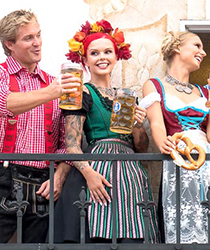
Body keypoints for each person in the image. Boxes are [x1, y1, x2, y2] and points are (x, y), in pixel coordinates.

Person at [53, 19, 159, 243]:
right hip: (96, 169)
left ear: (117, 56)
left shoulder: (127, 95)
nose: (102, 57)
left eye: (107, 51)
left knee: (132, 238)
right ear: (84, 60)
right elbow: (72, 145)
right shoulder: (81, 91)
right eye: (94, 53)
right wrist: (90, 175)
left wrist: (138, 124)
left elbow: (141, 148)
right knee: (97, 237)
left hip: (130, 176)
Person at [142, 31, 210, 243]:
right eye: (197, 45)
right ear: (178, 48)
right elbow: (157, 126)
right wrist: (164, 143)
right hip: (180, 163)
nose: (203, 52)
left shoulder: (204, 92)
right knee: (186, 234)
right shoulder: (154, 85)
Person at [0, 10, 81, 243]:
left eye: (38, 35)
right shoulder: (2, 75)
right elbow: (5, 103)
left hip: (43, 183)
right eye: (28, 38)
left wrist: (60, 176)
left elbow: (67, 143)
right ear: (10, 44)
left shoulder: (52, 81)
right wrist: (51, 93)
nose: (37, 43)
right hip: (4, 176)